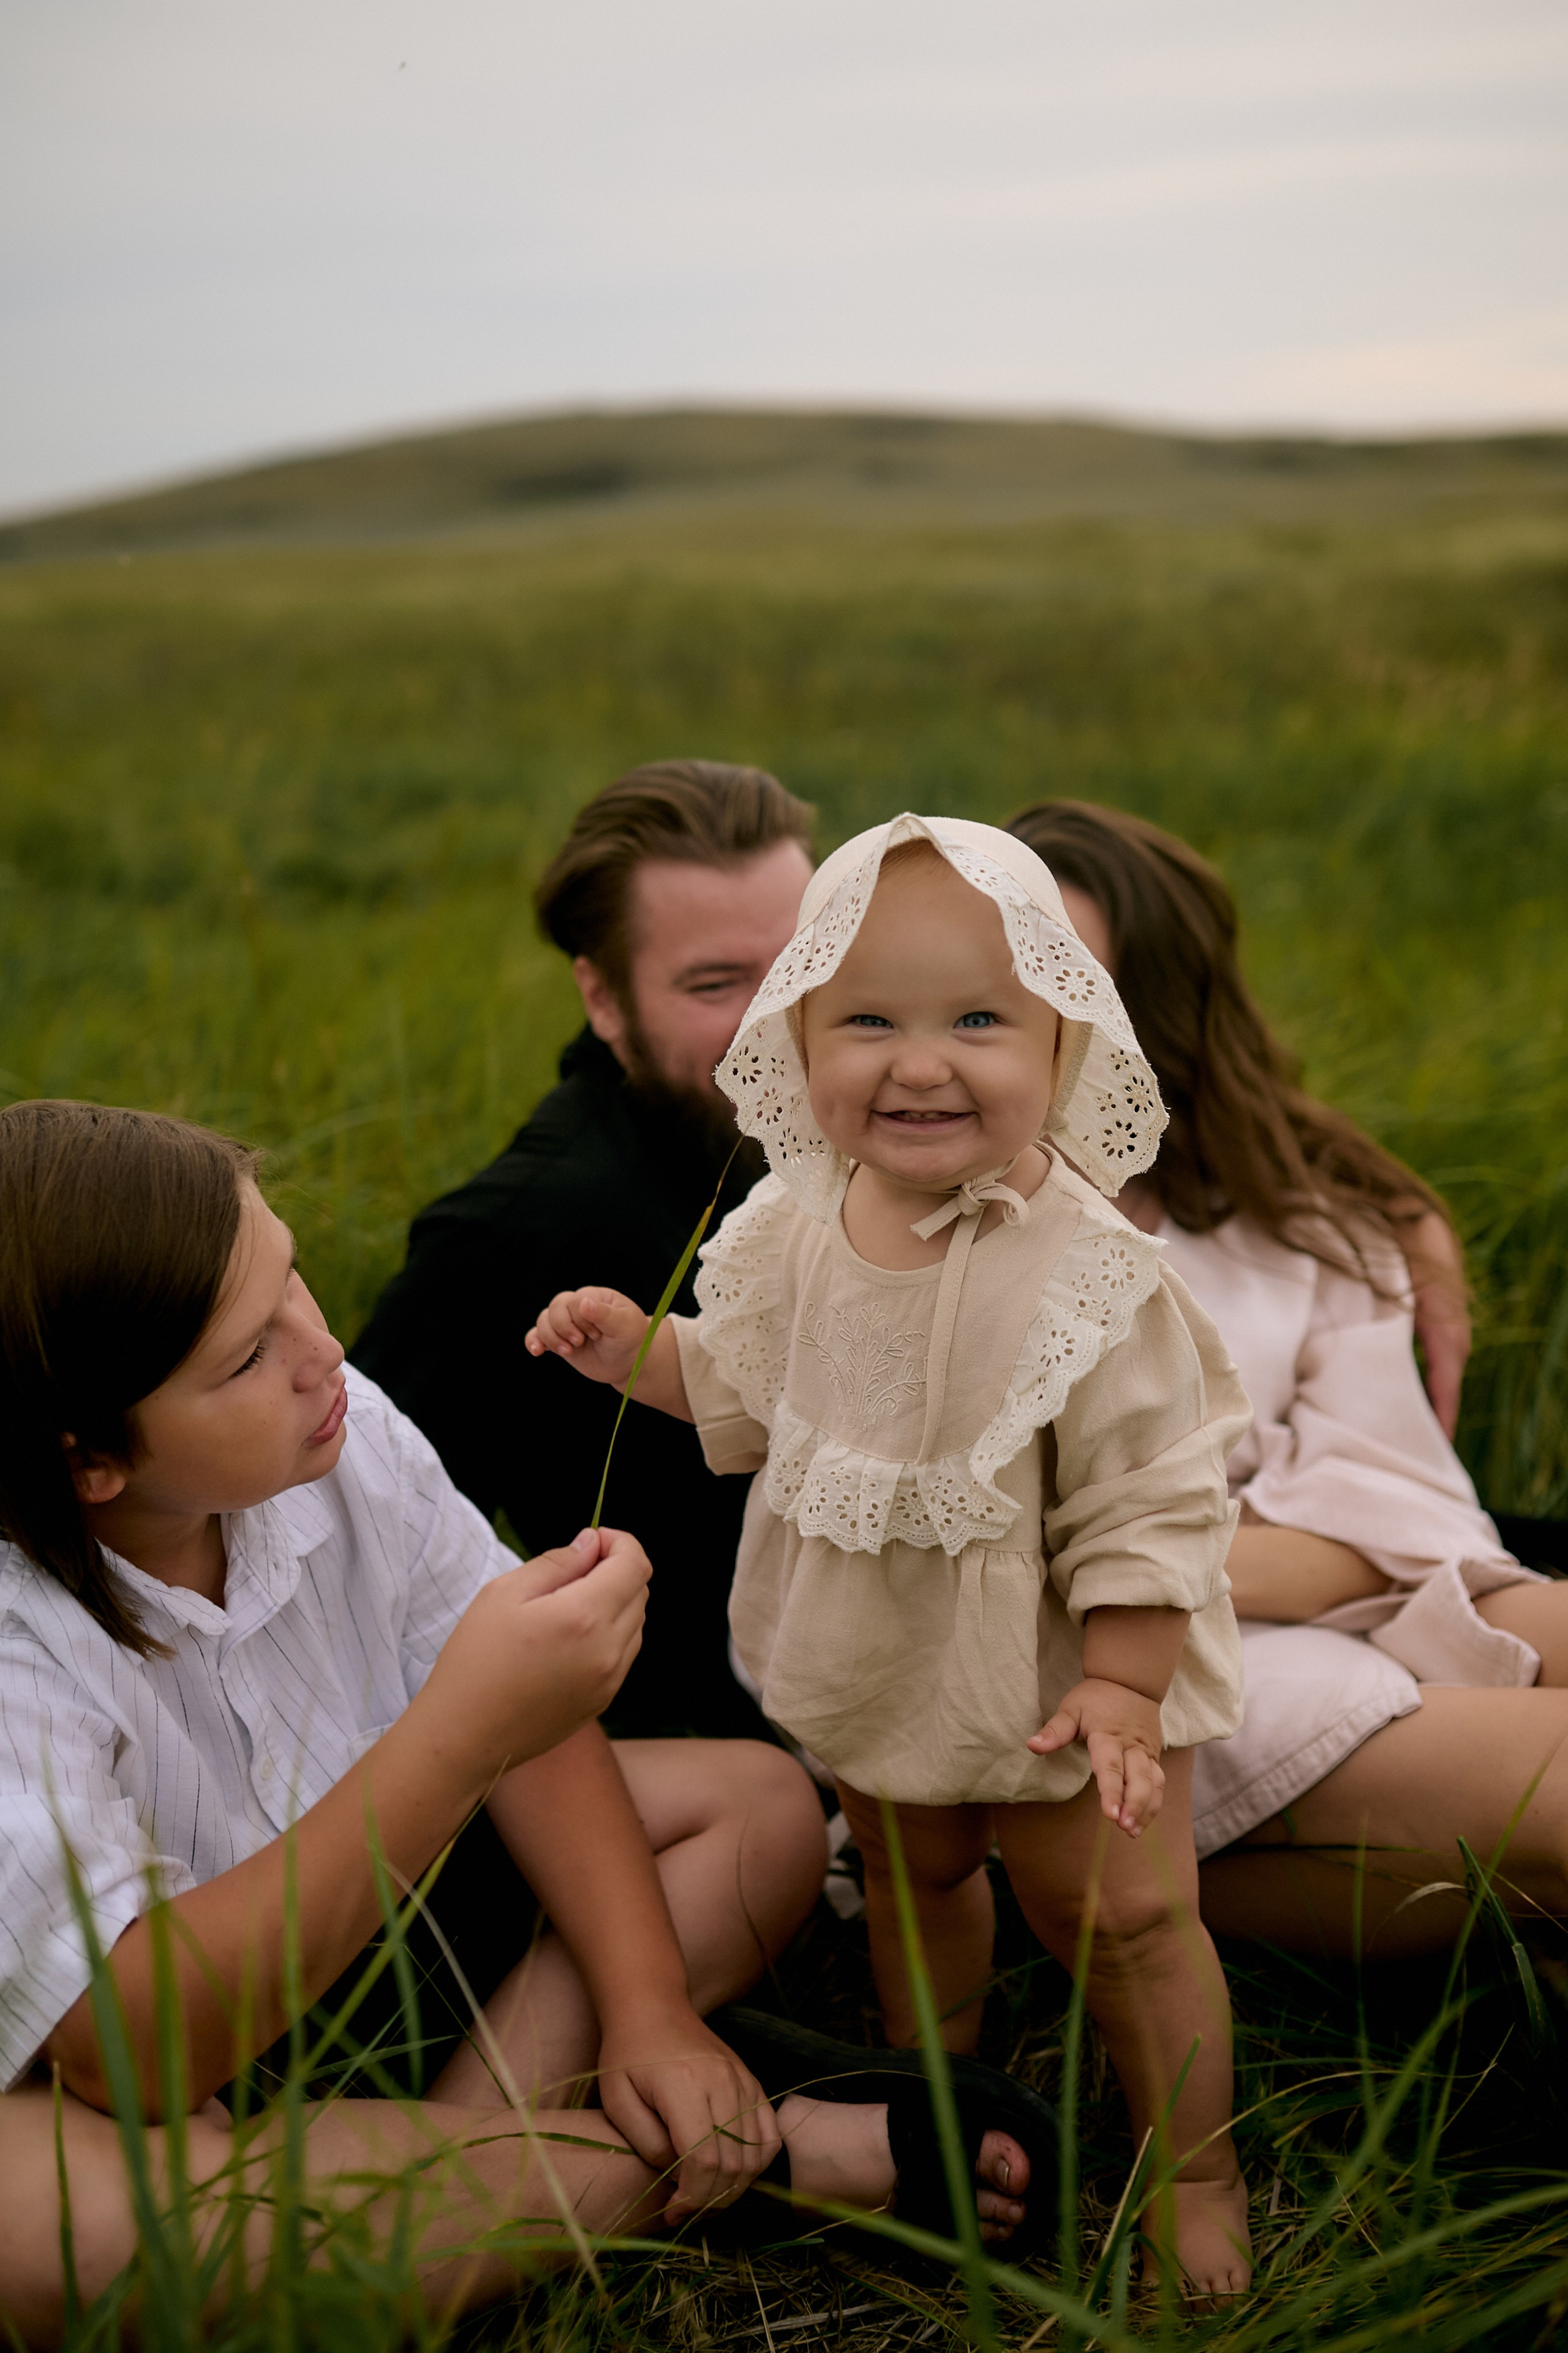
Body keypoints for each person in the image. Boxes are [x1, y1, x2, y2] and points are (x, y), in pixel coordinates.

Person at [0, 1101, 1049, 2343]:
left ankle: (454, 2171)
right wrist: (459, 1728)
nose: (319, 1348)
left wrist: (648, 2005)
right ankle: (720, 2171)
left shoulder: (336, 1430)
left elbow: (534, 1722)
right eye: (242, 1359)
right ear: (88, 1464)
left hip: (377, 1938)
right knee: (82, 2241)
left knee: (761, 1807)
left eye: (290, 1282)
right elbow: (141, 2054)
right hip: (127, 2068)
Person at [529, 813, 1256, 2295]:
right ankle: (940, 2081)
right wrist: (642, 1357)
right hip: (878, 1644)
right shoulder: (797, 1223)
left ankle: (1195, 2167)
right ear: (798, 1039)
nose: (918, 1064)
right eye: (866, 1020)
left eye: (977, 1021)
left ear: (1063, 1040)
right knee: (912, 1874)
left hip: (1061, 1667)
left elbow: (1150, 1495)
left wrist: (1124, 1680)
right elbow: (750, 1389)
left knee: (1117, 1917)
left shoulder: (1087, 1272)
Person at [1006, 800, 1568, 1955]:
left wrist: (1195, 1552)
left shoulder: (1284, 1223)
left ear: (1158, 1017)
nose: (1027, 1017)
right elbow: (1011, 1571)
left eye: (1074, 982)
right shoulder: (928, 1243)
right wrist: (1275, 1552)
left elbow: (1401, 1502)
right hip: (1137, 1678)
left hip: (1359, 1593)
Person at [352, 759, 816, 1741]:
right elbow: (338, 1545)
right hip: (726, 1759)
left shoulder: (862, 1135)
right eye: (717, 983)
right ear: (603, 998)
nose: (782, 1020)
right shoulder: (522, 1230)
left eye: (806, 961)